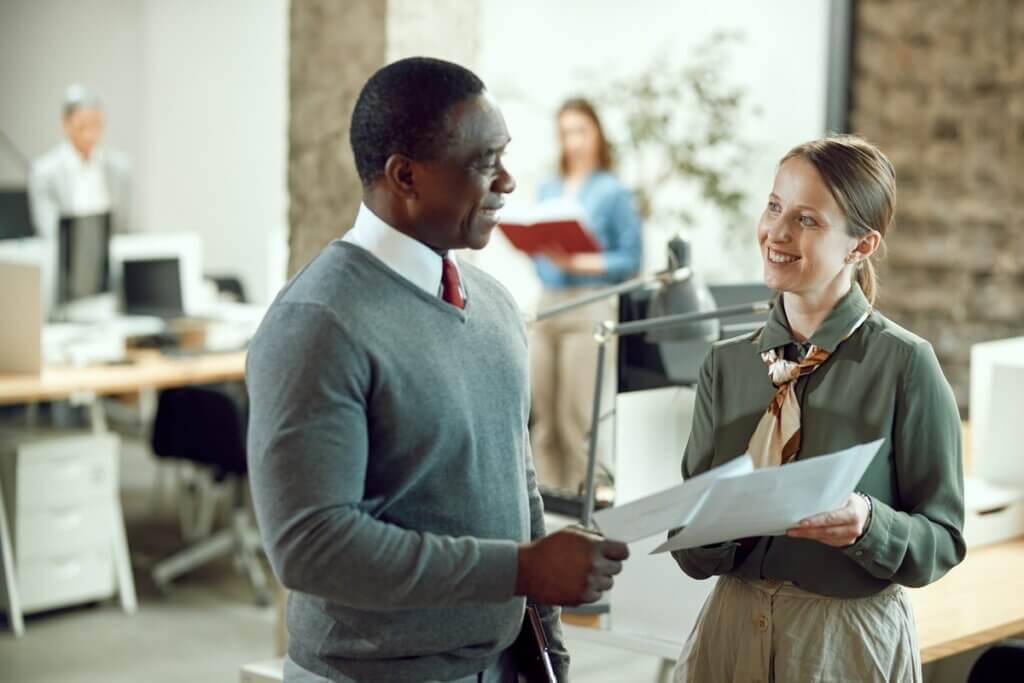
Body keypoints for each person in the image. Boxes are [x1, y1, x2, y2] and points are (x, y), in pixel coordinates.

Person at [246, 57, 629, 683]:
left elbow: (520, 492)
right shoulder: (317, 322)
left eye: (504, 156)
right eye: (483, 162)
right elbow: (313, 546)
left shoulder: (496, 305)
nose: (506, 181)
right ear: (406, 176)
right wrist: (522, 569)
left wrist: (550, 659)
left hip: (503, 667)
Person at [670, 135, 966, 682]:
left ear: (861, 246)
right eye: (775, 206)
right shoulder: (726, 365)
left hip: (846, 642)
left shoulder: (906, 365)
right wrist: (702, 528)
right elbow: (691, 552)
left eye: (808, 220)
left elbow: (943, 541)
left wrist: (867, 525)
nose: (776, 233)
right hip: (731, 629)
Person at [529, 98, 643, 495]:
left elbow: (631, 258)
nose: (572, 141)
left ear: (596, 133)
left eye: (580, 131)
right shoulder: (549, 187)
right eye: (565, 133)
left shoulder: (613, 191)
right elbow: (543, 255)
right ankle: (545, 504)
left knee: (577, 418)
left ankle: (584, 507)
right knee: (542, 418)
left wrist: (579, 261)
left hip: (590, 304)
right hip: (548, 304)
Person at [28, 84, 132, 238]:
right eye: (82, 126)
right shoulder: (44, 172)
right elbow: (49, 229)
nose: (90, 135)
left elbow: (123, 225)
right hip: (67, 255)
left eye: (96, 125)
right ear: (66, 123)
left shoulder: (120, 167)